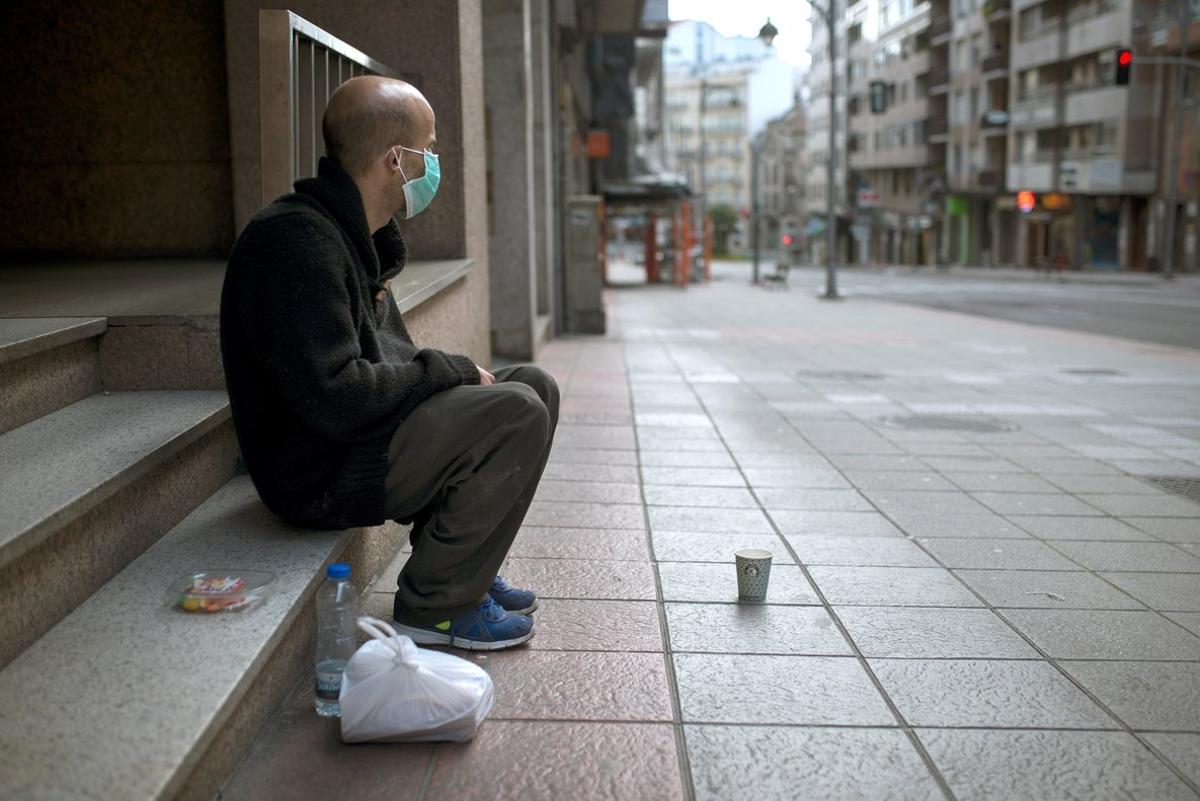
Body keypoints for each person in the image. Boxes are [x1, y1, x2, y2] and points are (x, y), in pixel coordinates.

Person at [220, 76, 558, 650]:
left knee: (533, 385)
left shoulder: (355, 235)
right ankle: (437, 608)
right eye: (430, 147)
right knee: (514, 412)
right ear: (397, 161)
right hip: (316, 470)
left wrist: (450, 380)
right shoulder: (297, 243)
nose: (435, 162)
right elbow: (338, 396)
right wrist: (449, 373)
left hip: (356, 437)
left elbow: (392, 364)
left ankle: (463, 568)